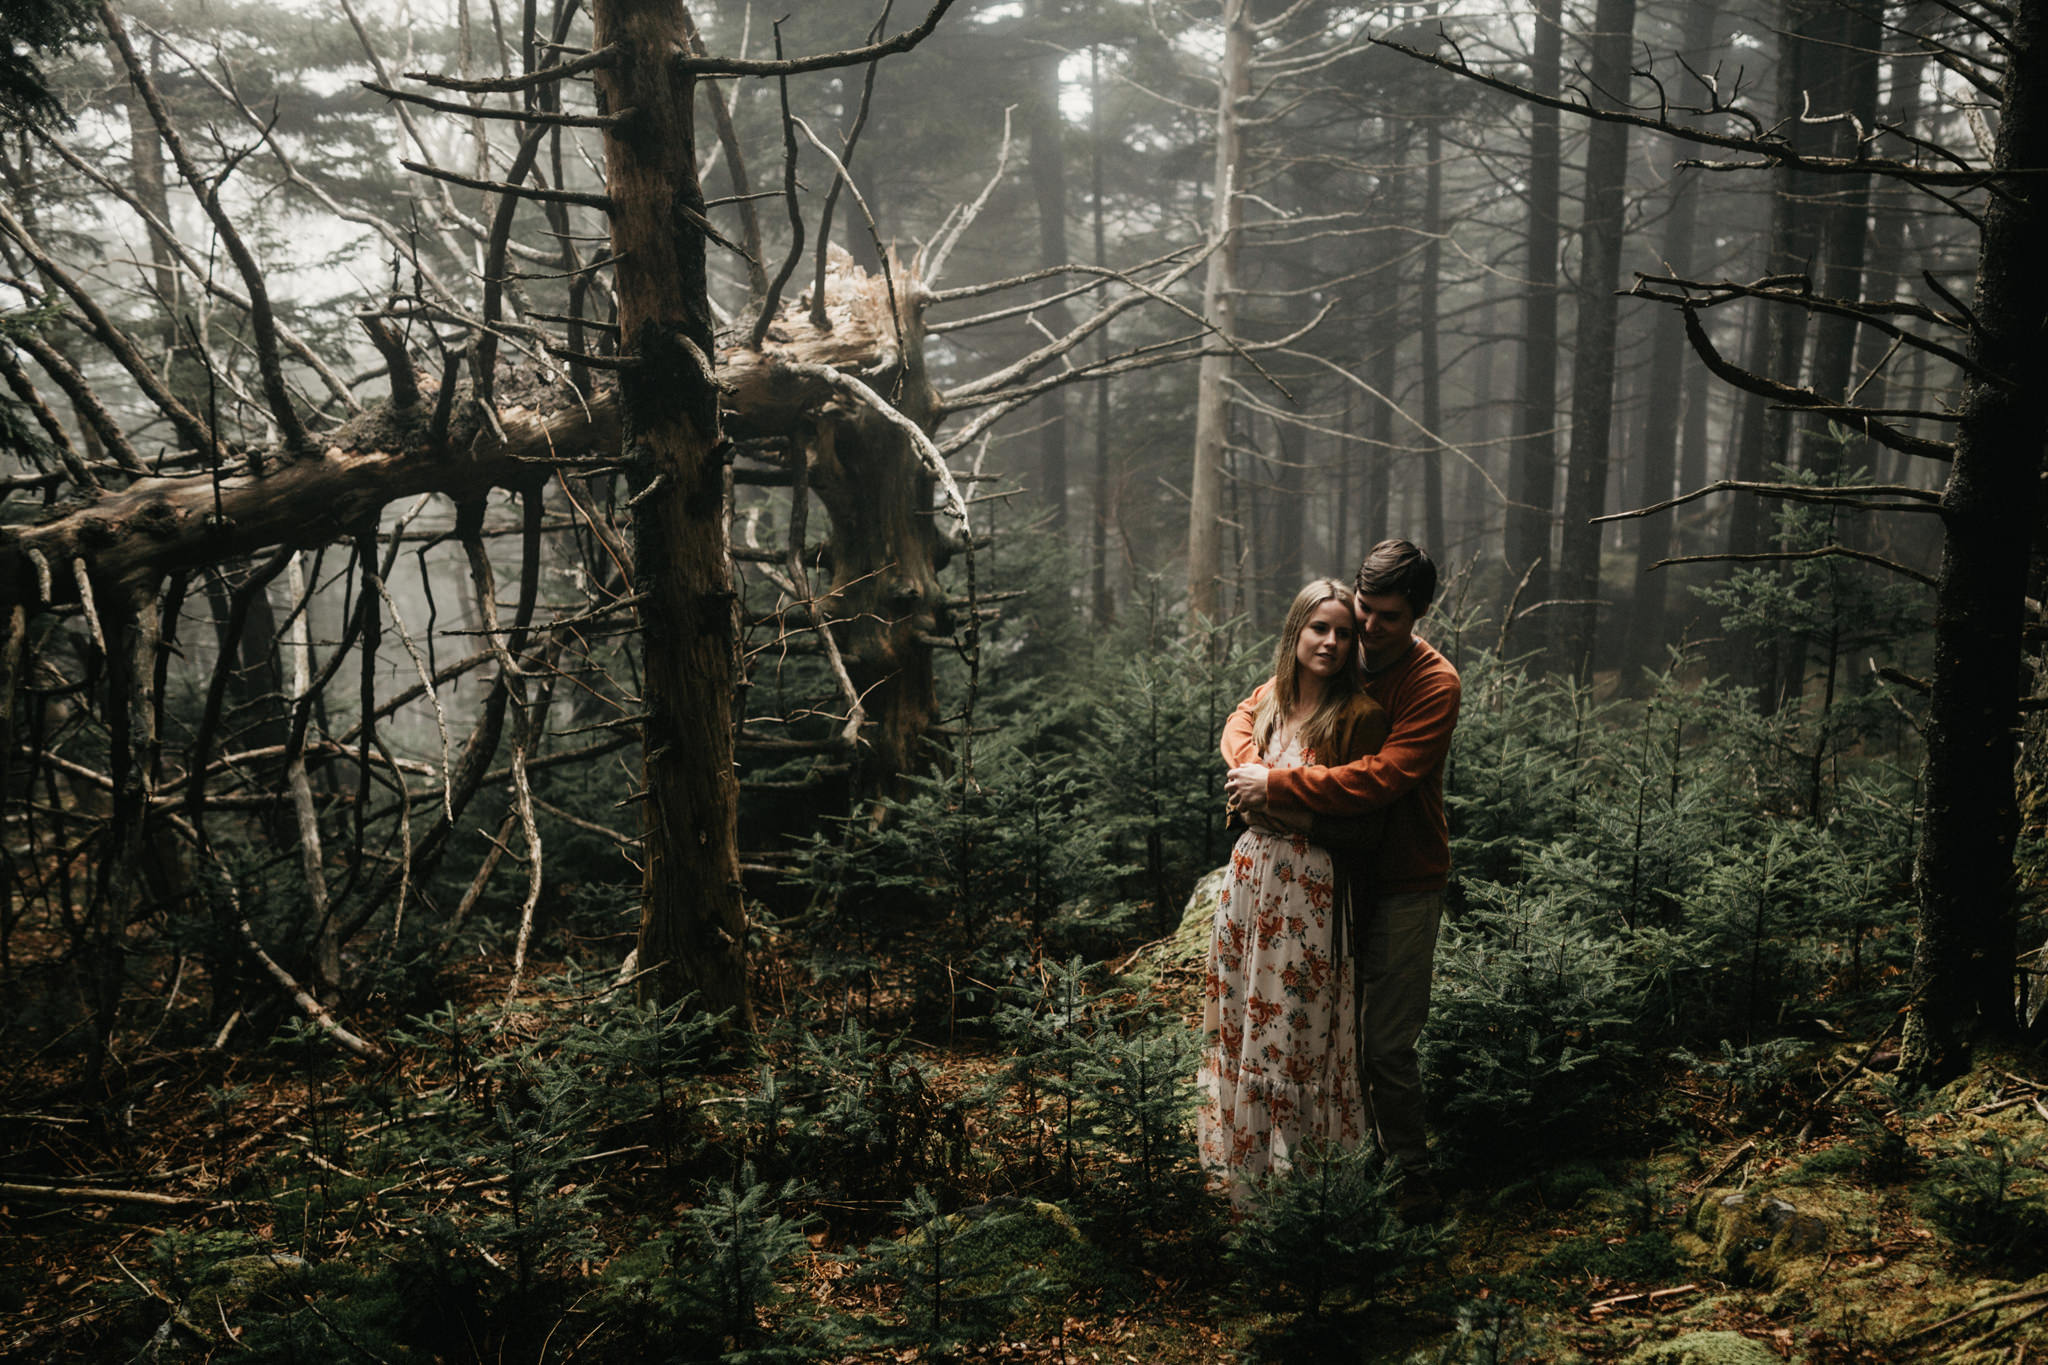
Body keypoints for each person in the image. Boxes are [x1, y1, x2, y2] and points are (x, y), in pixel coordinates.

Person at [1222, 539, 1461, 1223]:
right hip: (1327, 876)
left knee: (1385, 1039)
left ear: (1416, 614)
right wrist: (1250, 771)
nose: (1370, 629)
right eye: (1365, 609)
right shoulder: (1339, 643)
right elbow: (1253, 709)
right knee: (1331, 1031)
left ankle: (1412, 1179)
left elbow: (1384, 777)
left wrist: (1280, 784)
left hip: (1402, 875)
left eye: (1388, 616)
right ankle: (1348, 1167)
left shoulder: (1431, 682)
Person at [1198, 577, 1389, 1208]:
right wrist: (1247, 775)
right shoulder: (1270, 701)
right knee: (1241, 1020)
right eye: (1319, 628)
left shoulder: (1359, 718)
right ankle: (1245, 1178)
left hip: (1309, 889)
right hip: (1249, 880)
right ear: (1295, 631)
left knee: (1297, 1034)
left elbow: (1369, 821)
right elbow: (1236, 745)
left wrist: (1282, 801)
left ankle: (1304, 1190)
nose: (1331, 642)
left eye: (1343, 632)